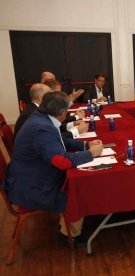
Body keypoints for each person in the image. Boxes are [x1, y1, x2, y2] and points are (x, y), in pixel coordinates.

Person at [4, 91, 104, 247]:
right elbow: (62, 161)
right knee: (78, 186)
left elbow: (59, 141)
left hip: (29, 176)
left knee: (79, 178)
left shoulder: (41, 119)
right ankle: (67, 234)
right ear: (63, 113)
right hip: (33, 187)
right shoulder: (41, 128)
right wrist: (90, 154)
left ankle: (74, 222)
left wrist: (85, 145)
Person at [19, 82, 88, 140]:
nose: (53, 96)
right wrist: (76, 131)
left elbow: (54, 127)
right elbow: (51, 138)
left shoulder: (38, 108)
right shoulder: (32, 114)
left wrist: (73, 124)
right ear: (40, 98)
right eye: (49, 94)